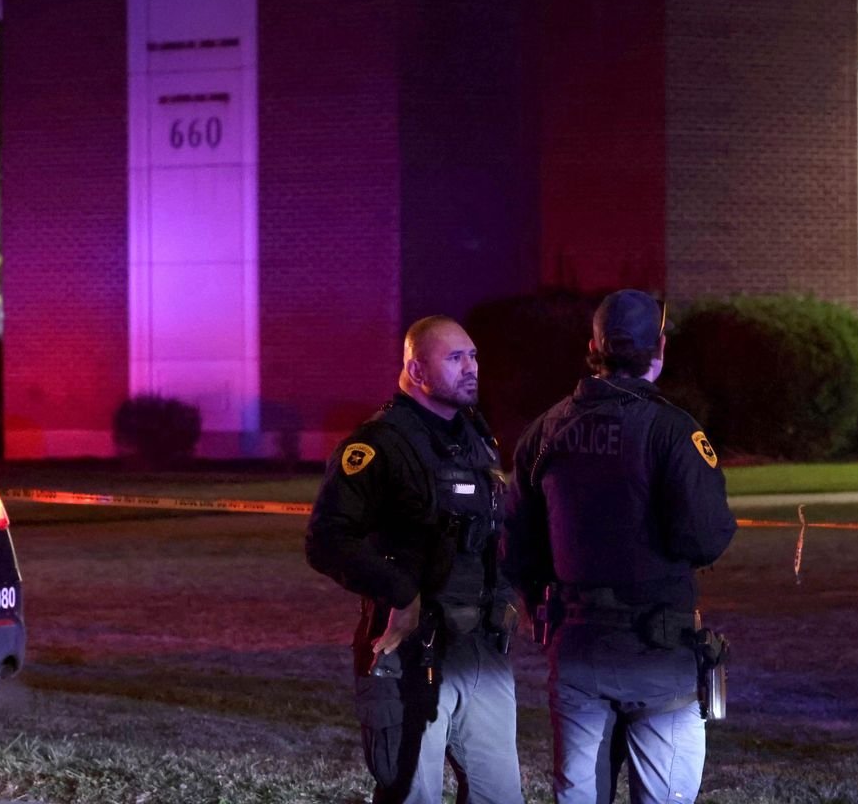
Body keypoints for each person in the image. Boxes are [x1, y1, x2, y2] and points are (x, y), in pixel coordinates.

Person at [502, 289, 738, 804]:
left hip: (577, 647)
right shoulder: (672, 430)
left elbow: (514, 545)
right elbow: (705, 536)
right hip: (657, 654)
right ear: (660, 347)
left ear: (594, 346)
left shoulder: (546, 431)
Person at [306, 316, 524, 804]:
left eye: (473, 357)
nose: (471, 368)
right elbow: (326, 539)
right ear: (416, 370)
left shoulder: (474, 438)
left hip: (481, 648)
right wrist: (401, 594)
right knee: (412, 794)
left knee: (501, 794)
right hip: (411, 651)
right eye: (455, 358)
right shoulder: (378, 444)